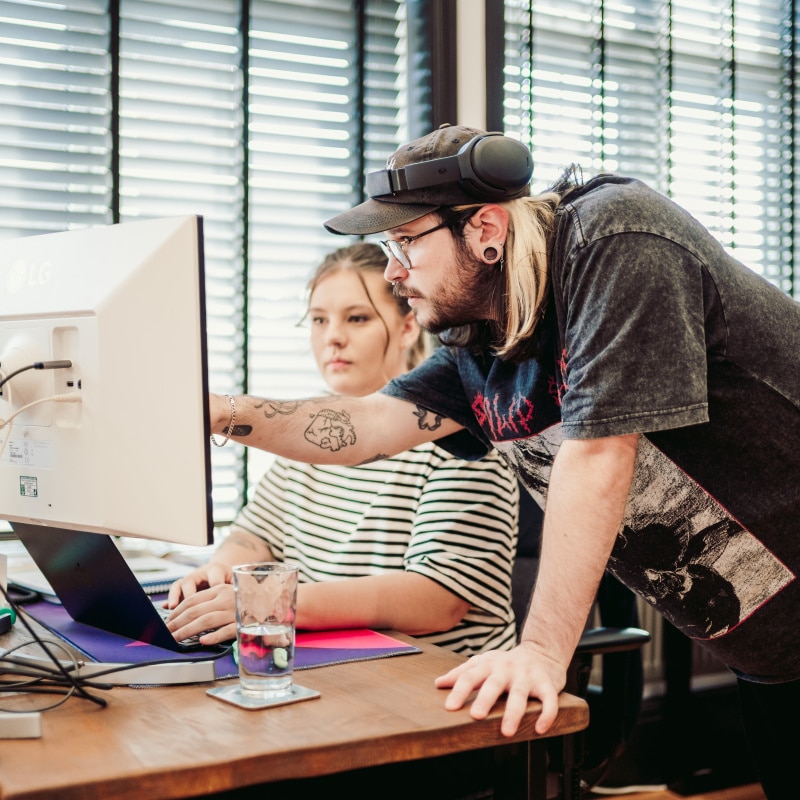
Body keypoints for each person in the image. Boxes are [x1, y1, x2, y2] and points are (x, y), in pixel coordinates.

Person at [206, 125, 800, 799]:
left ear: (485, 229)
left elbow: (600, 450)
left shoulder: (614, 241)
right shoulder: (480, 343)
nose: (393, 272)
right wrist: (220, 412)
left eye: (405, 244)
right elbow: (365, 426)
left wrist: (543, 652)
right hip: (771, 646)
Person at [167, 241, 519, 657]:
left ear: (410, 326)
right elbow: (255, 534)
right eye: (319, 320)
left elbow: (438, 600)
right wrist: (223, 571)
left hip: (434, 681)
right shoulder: (310, 431)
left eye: (357, 318)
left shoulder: (458, 437)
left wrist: (271, 601)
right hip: (334, 665)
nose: (333, 337)